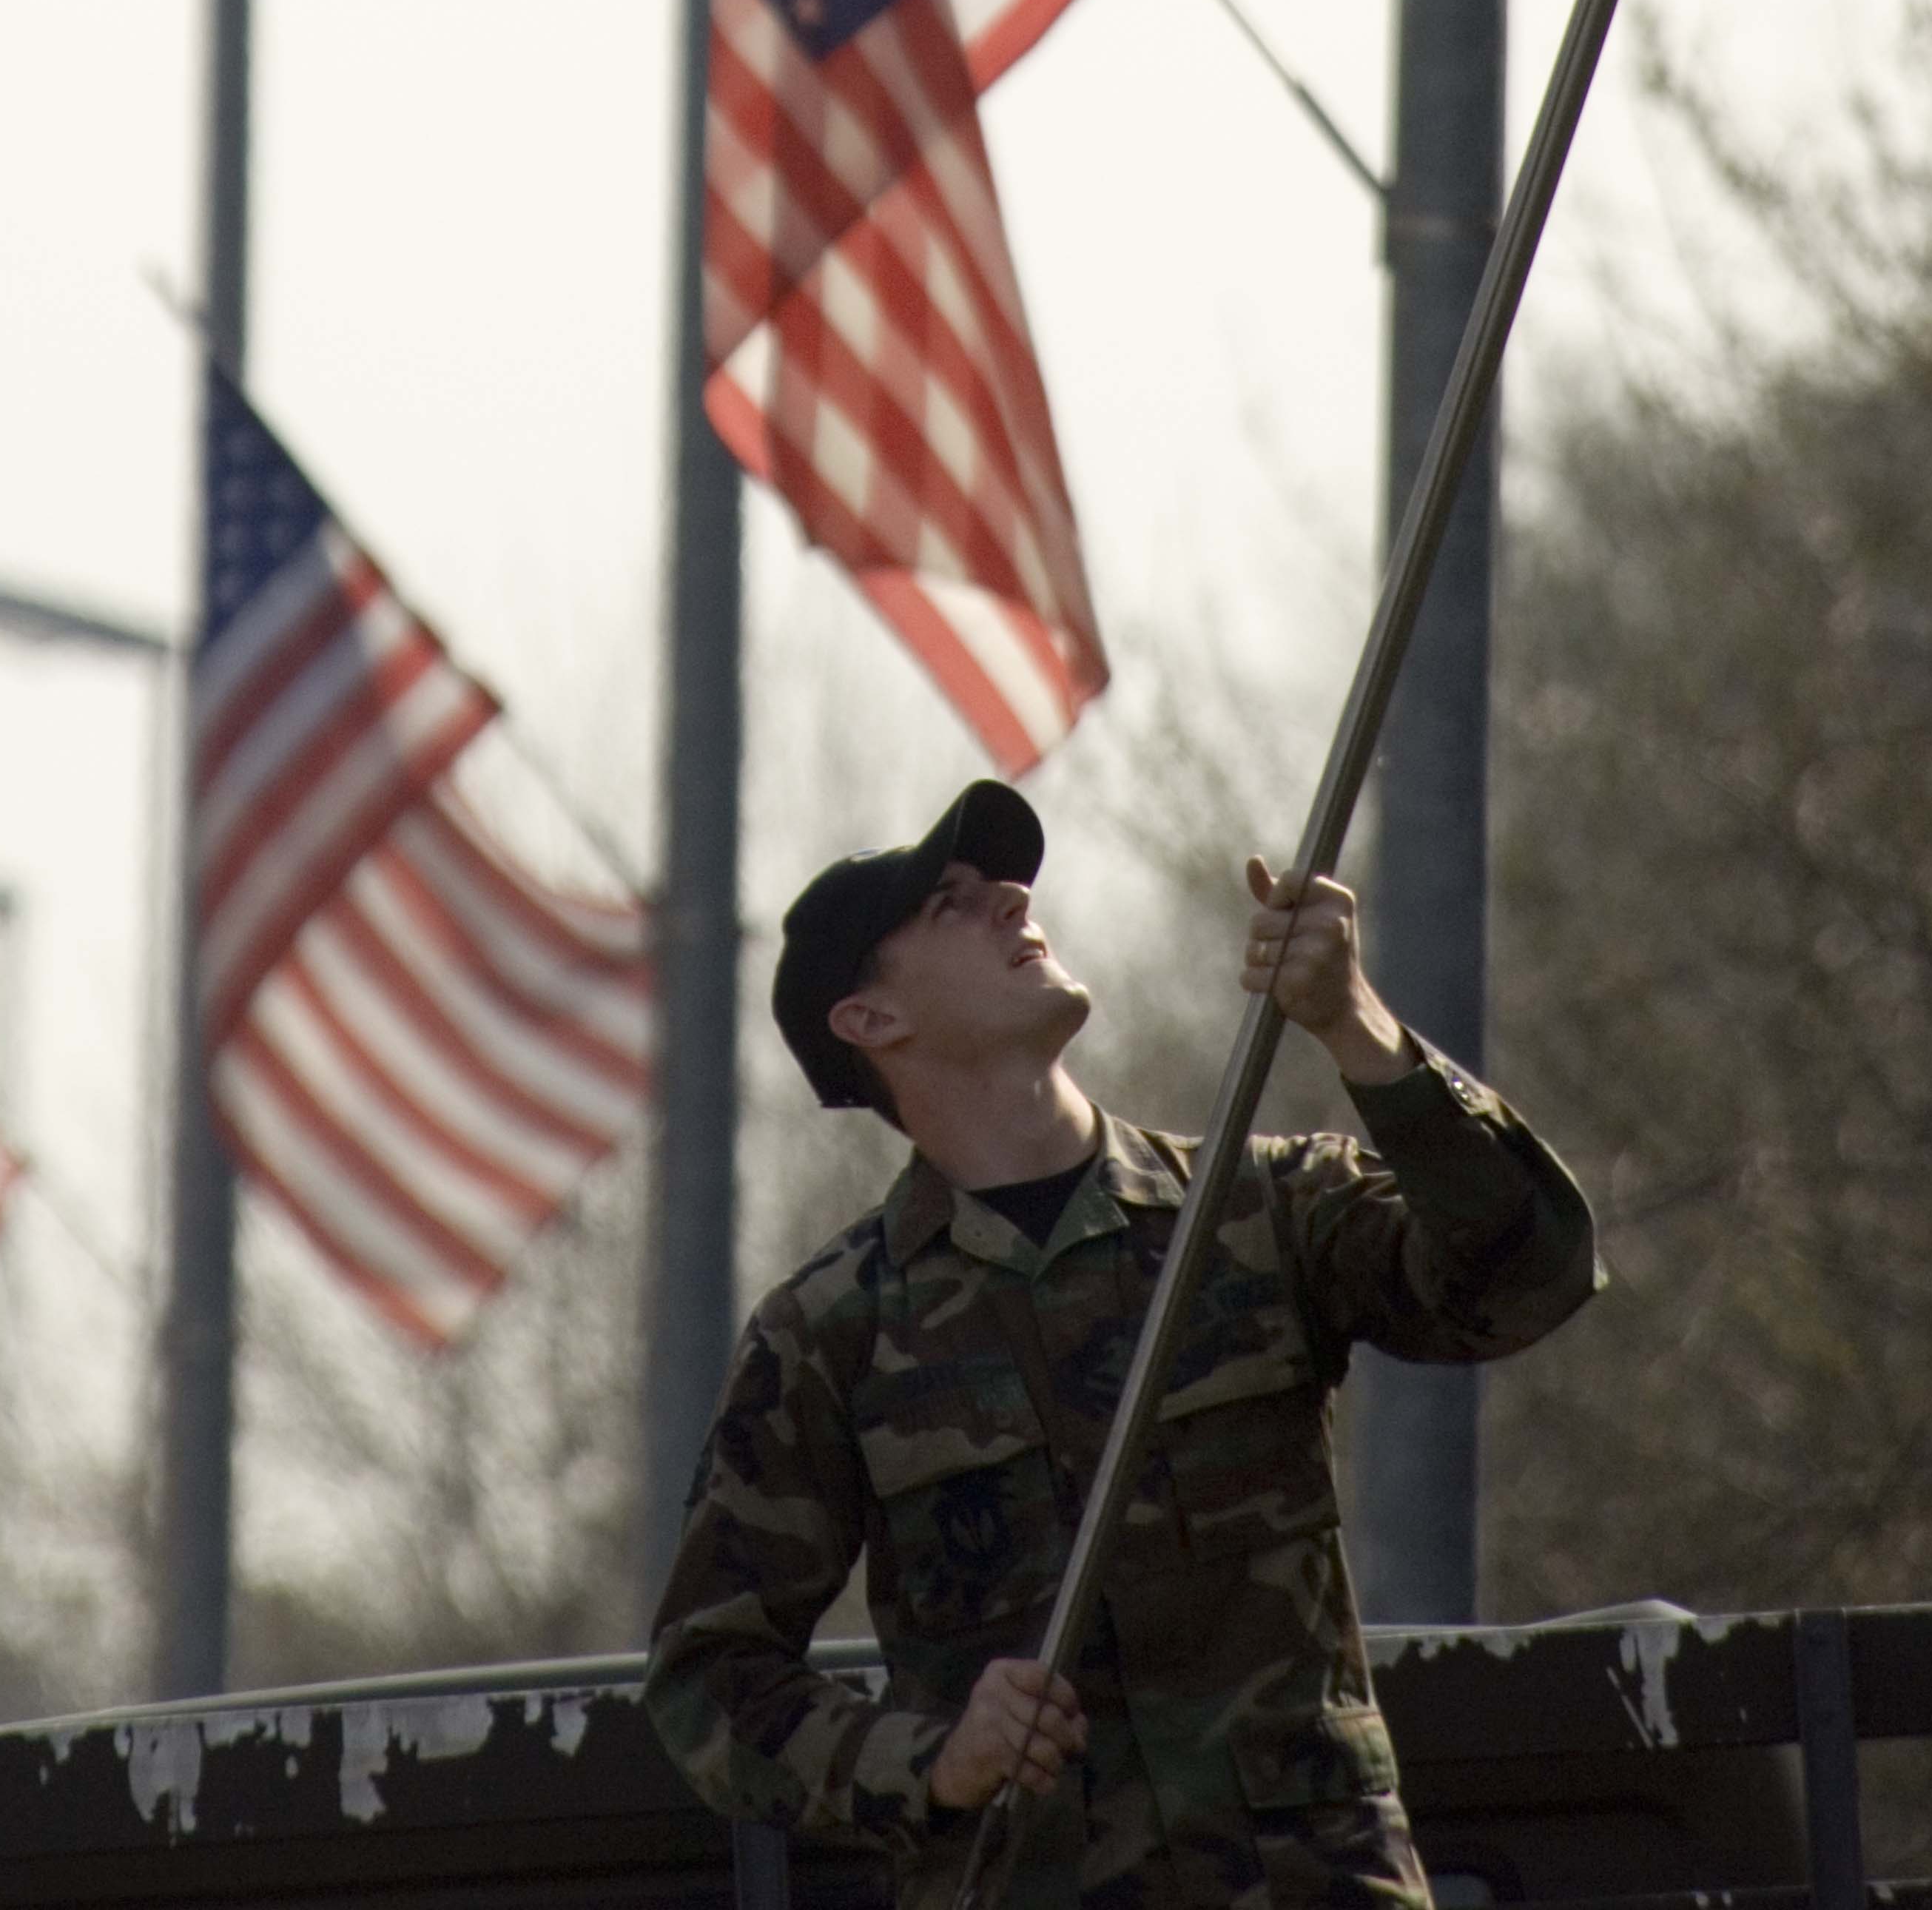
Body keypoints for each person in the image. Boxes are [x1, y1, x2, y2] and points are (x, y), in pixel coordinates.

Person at [642, 779, 1597, 1910]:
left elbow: (1528, 1279)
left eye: (1006, 885)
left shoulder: (1255, 1207)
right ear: (870, 1021)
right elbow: (709, 1682)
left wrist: (1357, 1026)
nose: (1012, 901)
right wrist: (930, 1760)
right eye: (952, 903)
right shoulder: (829, 1331)